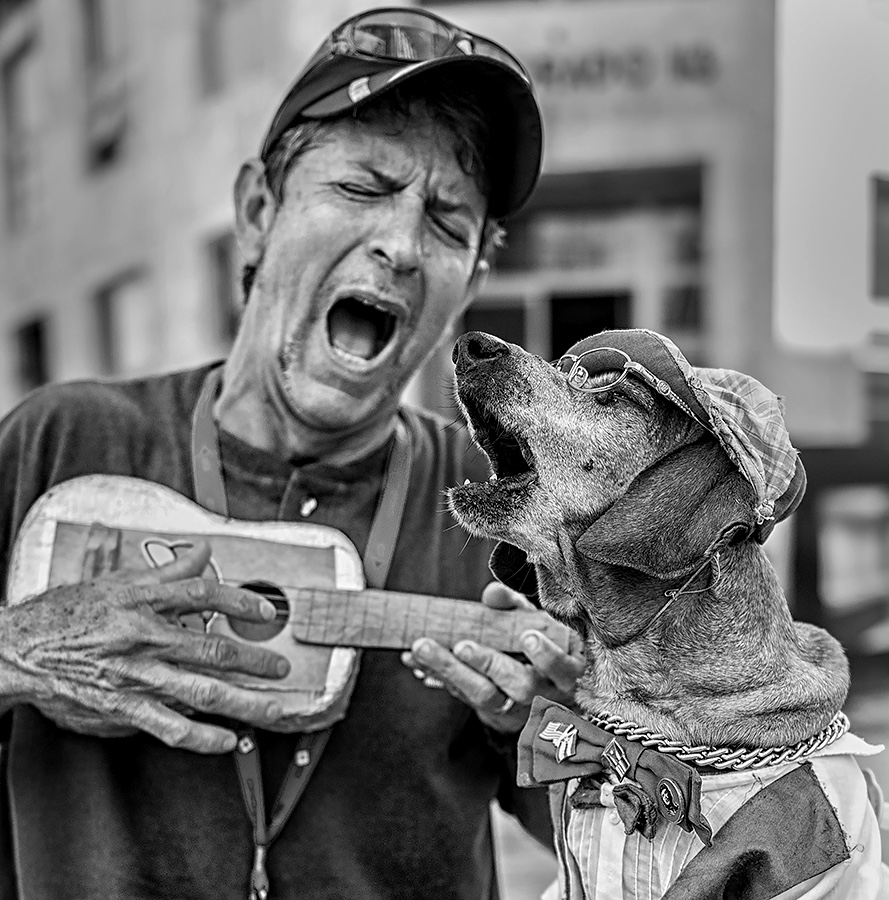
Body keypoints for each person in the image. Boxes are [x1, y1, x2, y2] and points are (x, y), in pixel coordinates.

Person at [0, 8, 583, 900]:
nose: (398, 244)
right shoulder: (64, 442)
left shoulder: (501, 514)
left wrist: (552, 729)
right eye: (362, 187)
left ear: (470, 278)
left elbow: (618, 831)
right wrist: (20, 653)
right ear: (257, 211)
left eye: (447, 220)